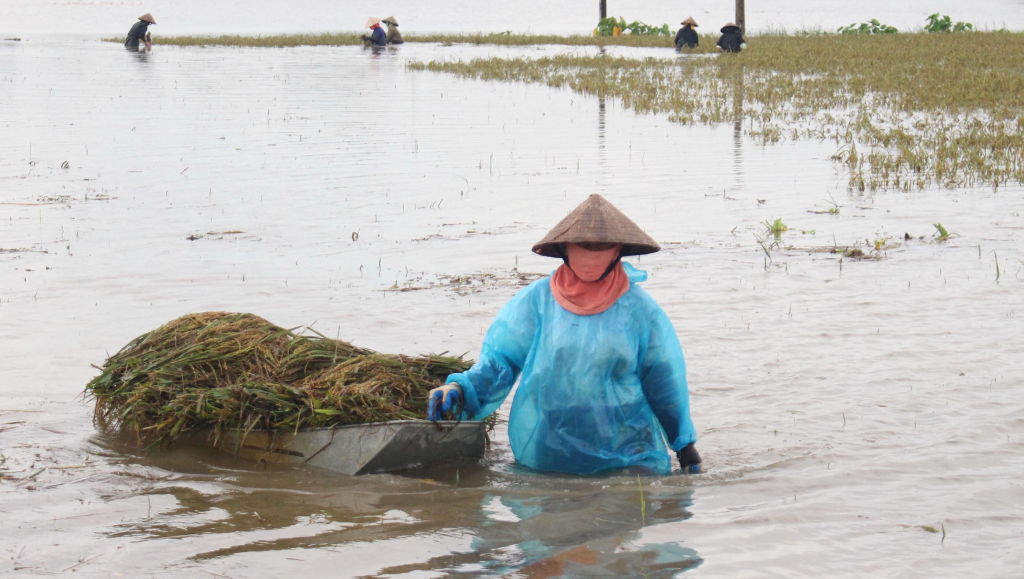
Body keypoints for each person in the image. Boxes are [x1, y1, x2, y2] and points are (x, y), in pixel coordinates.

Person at [428, 194, 701, 476]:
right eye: (583, 245)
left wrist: (685, 446)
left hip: (626, 447)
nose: (592, 254)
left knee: (624, 512)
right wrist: (459, 389)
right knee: (550, 517)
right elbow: (501, 363)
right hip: (551, 443)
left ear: (618, 250)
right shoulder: (536, 301)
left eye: (602, 246)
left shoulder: (640, 310)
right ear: (565, 249)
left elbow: (663, 381)